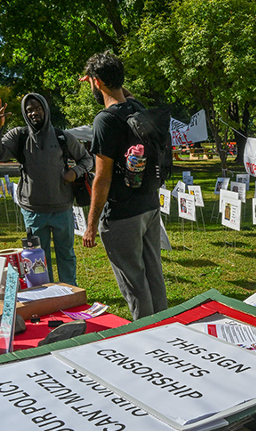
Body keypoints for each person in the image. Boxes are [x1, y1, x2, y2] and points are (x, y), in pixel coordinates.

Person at [81, 51, 167, 320]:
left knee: (134, 282)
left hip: (122, 215)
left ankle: (145, 335)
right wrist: (105, 76)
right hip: (149, 205)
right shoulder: (137, 108)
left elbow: (102, 177)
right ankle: (164, 328)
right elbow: (123, 93)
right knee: (154, 274)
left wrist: (92, 223)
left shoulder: (104, 120)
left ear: (96, 83)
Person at [0, 93, 93, 287]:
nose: (34, 113)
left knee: (66, 254)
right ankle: (46, 293)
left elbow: (87, 159)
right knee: (38, 259)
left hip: (62, 208)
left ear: (45, 109)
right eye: (29, 110)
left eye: (37, 108)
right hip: (33, 210)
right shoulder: (19, 135)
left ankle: (70, 291)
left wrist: (75, 172)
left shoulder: (62, 136)